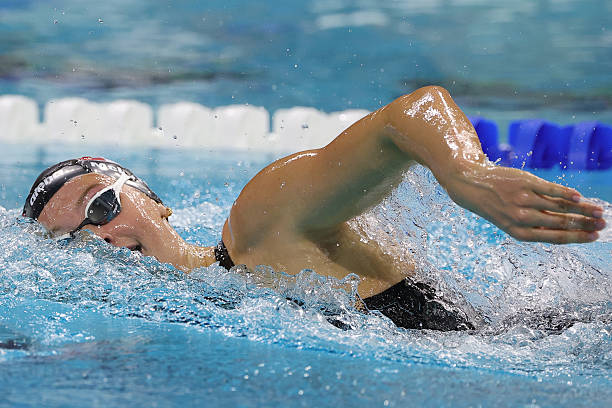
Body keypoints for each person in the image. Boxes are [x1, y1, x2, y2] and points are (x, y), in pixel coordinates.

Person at [22, 86, 606, 331]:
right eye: (72, 241)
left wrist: (467, 174)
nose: (101, 239)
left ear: (155, 199)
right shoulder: (219, 301)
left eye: (99, 207)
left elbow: (410, 113)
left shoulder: (257, 226)